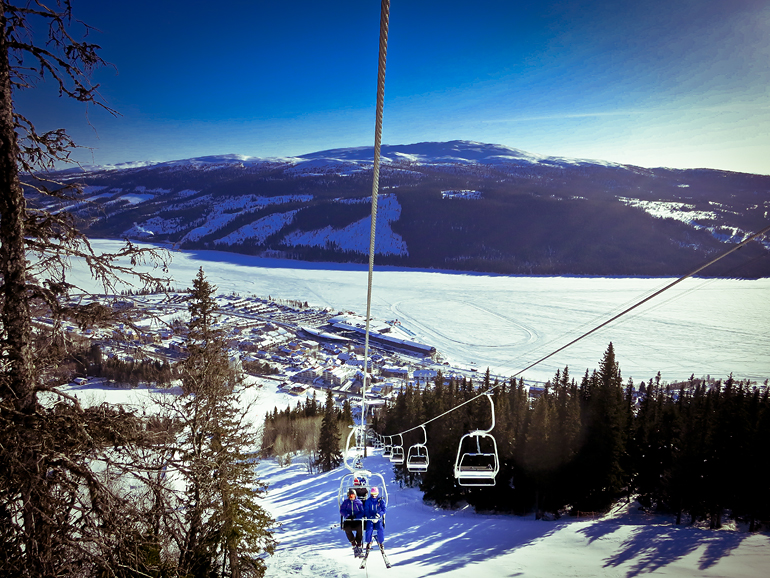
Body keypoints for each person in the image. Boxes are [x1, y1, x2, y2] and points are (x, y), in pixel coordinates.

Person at [340, 488, 364, 556]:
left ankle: (359, 542)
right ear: (348, 496)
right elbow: (342, 510)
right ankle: (353, 541)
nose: (351, 497)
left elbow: (362, 512)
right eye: (350, 496)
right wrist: (347, 515)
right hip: (349, 519)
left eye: (353, 496)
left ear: (355, 496)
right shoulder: (346, 502)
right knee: (346, 528)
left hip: (356, 519)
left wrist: (356, 516)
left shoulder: (358, 502)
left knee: (360, 528)